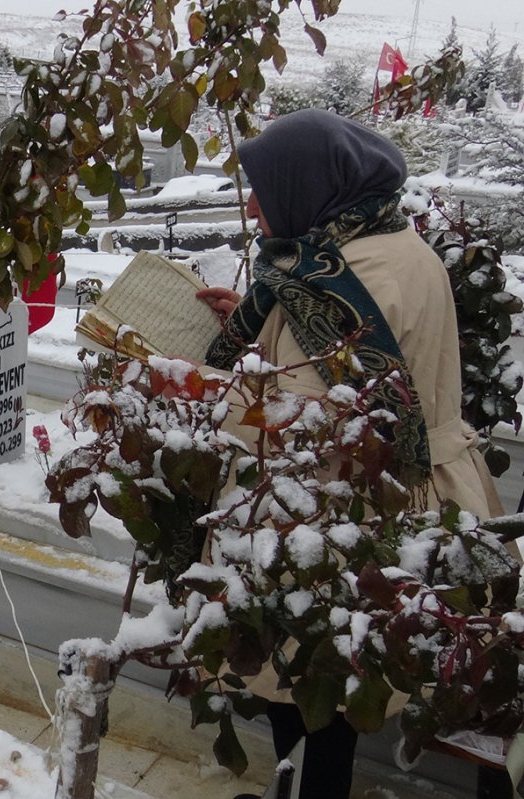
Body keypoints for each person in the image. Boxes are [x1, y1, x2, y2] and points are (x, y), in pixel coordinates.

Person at [195, 108, 509, 799]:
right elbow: (362, 368)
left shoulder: (330, 288)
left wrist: (204, 393)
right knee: (346, 679)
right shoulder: (394, 246)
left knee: (309, 681)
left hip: (338, 514)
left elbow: (309, 428)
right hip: (427, 493)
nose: (254, 205)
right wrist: (259, 325)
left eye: (264, 190)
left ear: (308, 186)